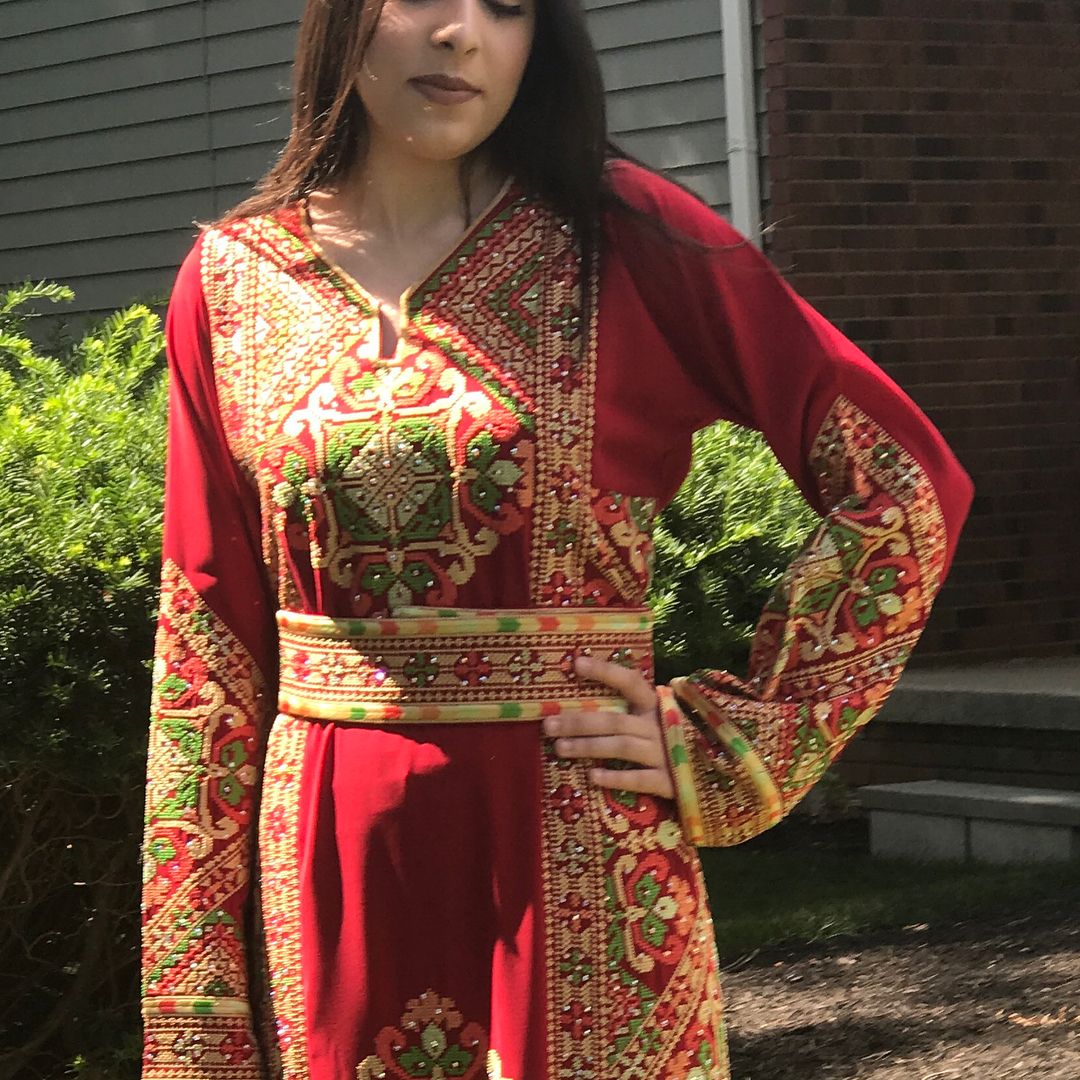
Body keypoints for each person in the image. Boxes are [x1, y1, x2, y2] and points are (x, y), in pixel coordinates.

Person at [138, 0, 974, 1077]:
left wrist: (746, 737)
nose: (464, 33)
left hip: (584, 855)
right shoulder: (232, 283)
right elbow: (207, 648)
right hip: (332, 879)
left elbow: (904, 486)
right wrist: (195, 1009)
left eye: (509, 6)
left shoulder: (624, 239)